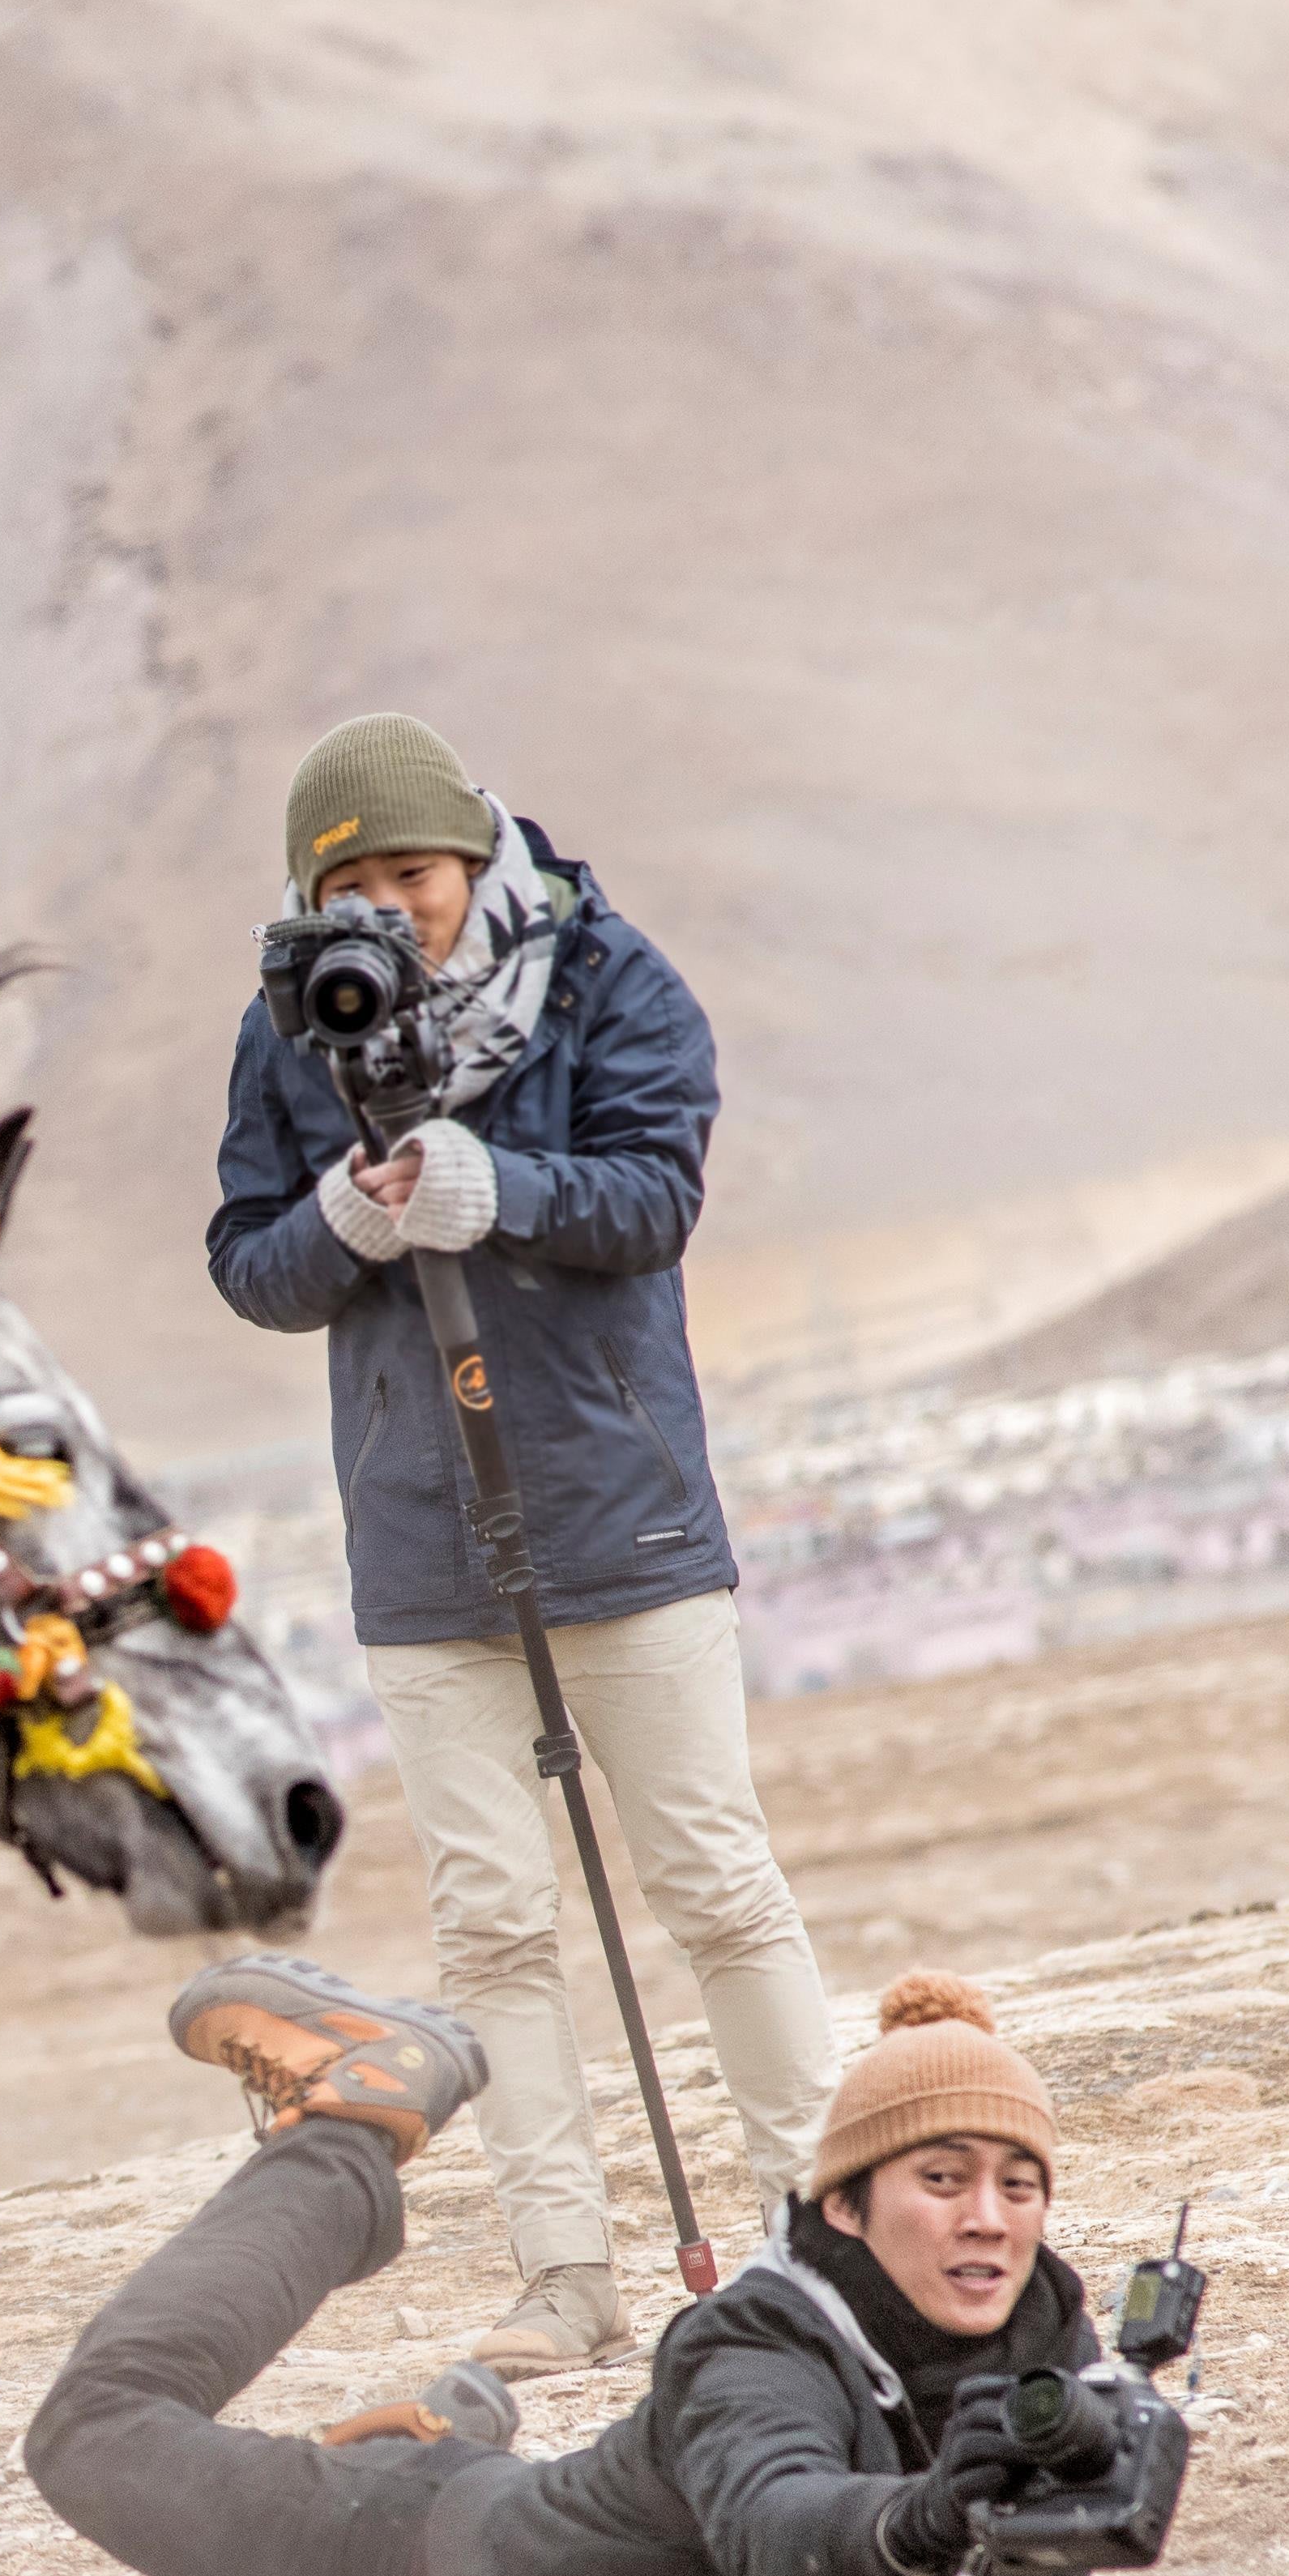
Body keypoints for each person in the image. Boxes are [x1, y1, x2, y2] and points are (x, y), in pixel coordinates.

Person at [207, 714, 833, 2376]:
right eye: (346, 882)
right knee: (489, 1925)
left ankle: (818, 2233)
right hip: (422, 1542)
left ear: (473, 856)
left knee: (711, 1879)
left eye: (408, 873)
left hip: (616, 1512)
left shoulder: (604, 977)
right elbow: (245, 1265)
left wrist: (510, 1191)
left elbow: (655, 1195)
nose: (384, 910)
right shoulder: (289, 1030)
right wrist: (339, 1221)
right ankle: (563, 2274)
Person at [45, 1957, 1163, 2576]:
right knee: (90, 2432)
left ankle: (433, 2435)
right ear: (848, 2209)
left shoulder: (1046, 2366)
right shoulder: (754, 2340)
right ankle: (351, 2123)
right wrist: (919, 2517)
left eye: (1019, 2187)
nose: (988, 2218)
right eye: (942, 2179)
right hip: (393, 2561)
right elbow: (775, 2528)